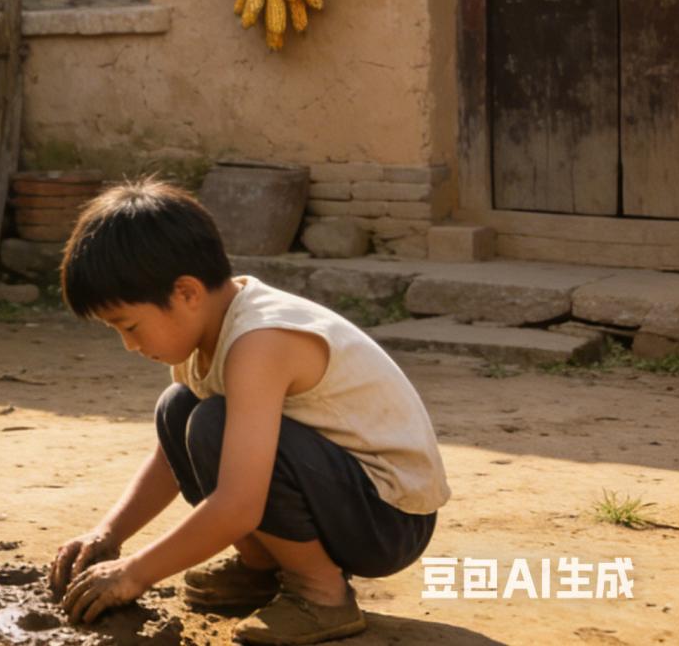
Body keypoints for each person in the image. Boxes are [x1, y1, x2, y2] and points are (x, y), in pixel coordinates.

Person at [49, 180, 449, 645]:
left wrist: (134, 573)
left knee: (212, 426)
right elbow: (168, 461)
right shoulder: (207, 332)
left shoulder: (260, 341)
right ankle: (262, 569)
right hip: (342, 495)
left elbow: (239, 504)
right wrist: (108, 533)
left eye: (130, 326)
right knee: (178, 410)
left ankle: (321, 592)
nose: (130, 345)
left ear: (186, 293)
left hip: (389, 519)